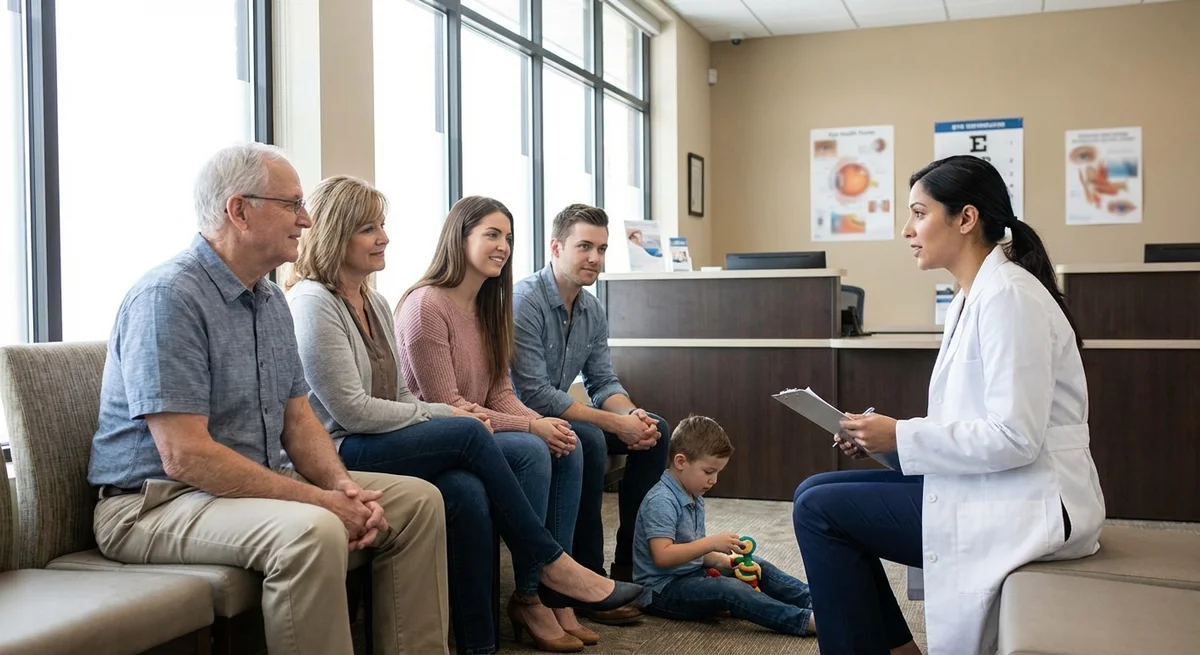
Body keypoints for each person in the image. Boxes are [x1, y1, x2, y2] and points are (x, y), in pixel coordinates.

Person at [86, 143, 449, 655]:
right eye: (292, 204)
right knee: (313, 530)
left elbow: (299, 420)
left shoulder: (270, 297)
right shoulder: (168, 298)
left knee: (417, 502)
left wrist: (343, 488)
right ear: (238, 210)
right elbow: (185, 454)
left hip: (245, 489)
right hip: (153, 505)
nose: (305, 219)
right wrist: (321, 503)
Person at [285, 176, 641, 654]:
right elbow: (352, 410)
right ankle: (548, 570)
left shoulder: (375, 300)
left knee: (471, 491)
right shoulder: (317, 302)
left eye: (508, 237)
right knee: (493, 441)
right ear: (336, 232)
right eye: (370, 229)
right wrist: (455, 416)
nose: (385, 238)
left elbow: (421, 396)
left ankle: (482, 643)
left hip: (392, 434)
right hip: (343, 446)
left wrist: (458, 415)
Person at [792, 155, 1106, 655]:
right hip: (998, 484)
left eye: (919, 213)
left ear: (966, 218)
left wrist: (900, 436)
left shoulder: (1009, 299)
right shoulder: (972, 296)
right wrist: (886, 442)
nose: (906, 229)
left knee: (819, 510)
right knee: (816, 489)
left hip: (1034, 502)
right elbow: (967, 424)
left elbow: (1015, 437)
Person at [394, 196, 596, 651]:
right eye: (491, 234)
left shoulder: (489, 306)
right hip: (439, 436)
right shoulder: (427, 305)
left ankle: (549, 593)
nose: (503, 246)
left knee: (570, 442)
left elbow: (500, 394)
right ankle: (531, 592)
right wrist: (530, 429)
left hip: (480, 430)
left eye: (507, 237)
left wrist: (545, 423)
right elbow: (449, 404)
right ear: (459, 237)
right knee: (531, 449)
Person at [511, 204, 669, 616]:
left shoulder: (591, 308)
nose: (595, 259)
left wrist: (632, 418)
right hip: (522, 418)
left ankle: (630, 561)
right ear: (555, 247)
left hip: (563, 412)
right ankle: (587, 574)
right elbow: (535, 394)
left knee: (657, 430)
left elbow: (602, 383)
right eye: (584, 247)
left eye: (601, 248)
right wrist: (614, 422)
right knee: (592, 439)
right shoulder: (524, 301)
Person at [633, 416, 816, 636]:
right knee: (730, 590)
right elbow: (663, 556)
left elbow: (692, 551)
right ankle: (805, 621)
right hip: (662, 591)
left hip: (692, 573)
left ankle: (817, 601)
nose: (714, 480)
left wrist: (727, 561)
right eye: (709, 472)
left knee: (757, 566)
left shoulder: (692, 494)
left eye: (718, 472)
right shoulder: (661, 501)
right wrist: (711, 543)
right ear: (681, 462)